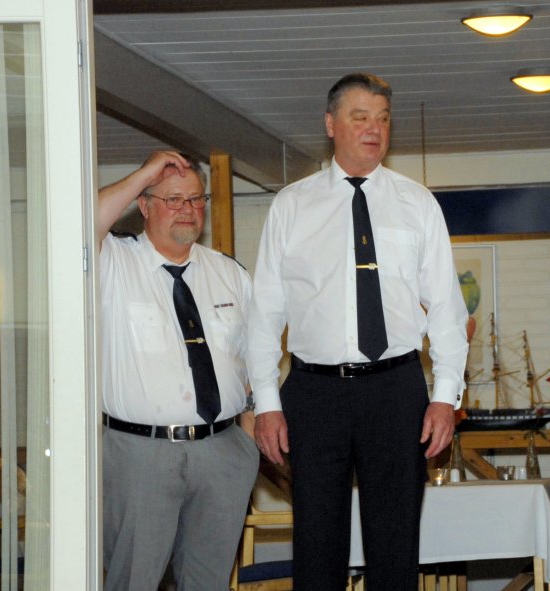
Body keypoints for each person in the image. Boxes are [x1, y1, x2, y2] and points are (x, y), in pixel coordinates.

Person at [246, 73, 469, 590]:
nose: (374, 129)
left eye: (383, 119)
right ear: (331, 125)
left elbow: (446, 308)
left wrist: (445, 397)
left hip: (396, 389)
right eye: (360, 117)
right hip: (313, 392)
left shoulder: (417, 203)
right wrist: (266, 403)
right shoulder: (292, 205)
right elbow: (265, 312)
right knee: (316, 545)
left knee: (395, 545)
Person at [96, 150, 259, 591]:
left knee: (209, 583)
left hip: (222, 452)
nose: (187, 209)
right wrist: (146, 171)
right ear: (144, 205)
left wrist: (245, 437)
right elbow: (80, 220)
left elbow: (254, 360)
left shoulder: (229, 273)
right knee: (133, 581)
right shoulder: (114, 261)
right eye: (172, 199)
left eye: (195, 199)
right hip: (140, 455)